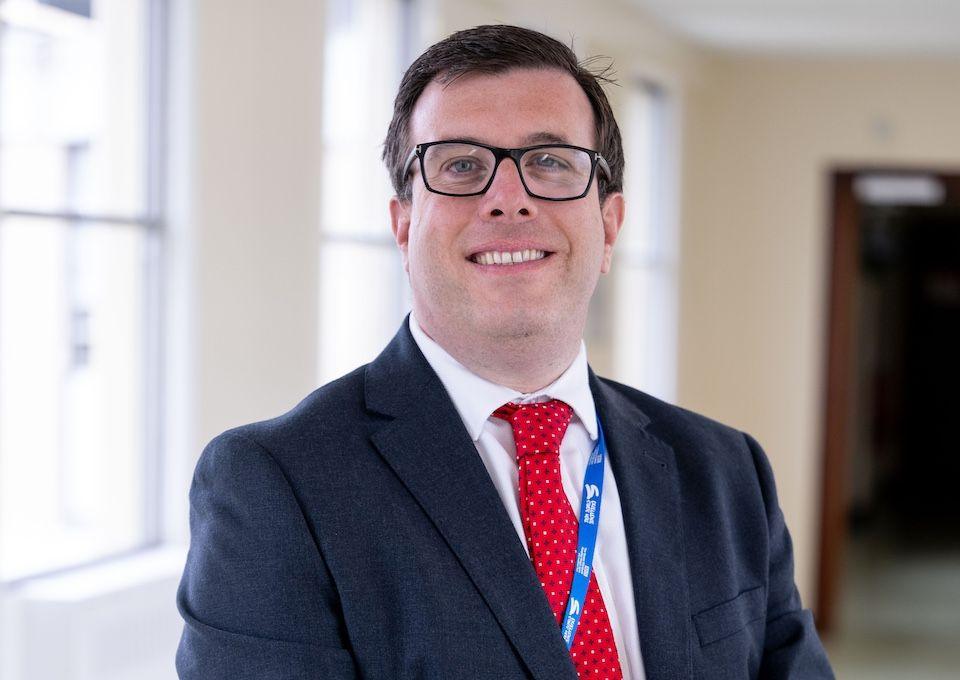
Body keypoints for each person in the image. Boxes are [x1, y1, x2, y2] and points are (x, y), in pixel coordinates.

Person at [175, 24, 834, 680]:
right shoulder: (276, 485)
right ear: (404, 226)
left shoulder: (725, 471)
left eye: (551, 162)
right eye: (460, 165)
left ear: (608, 226)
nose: (508, 199)